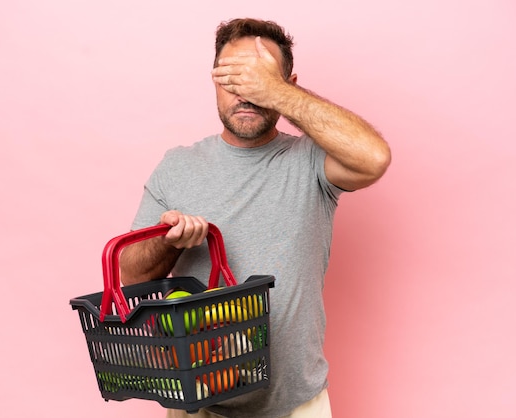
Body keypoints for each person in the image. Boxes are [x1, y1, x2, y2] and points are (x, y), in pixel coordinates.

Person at [119, 18, 391, 418]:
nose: (245, 93)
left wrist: (279, 93)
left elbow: (374, 158)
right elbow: (132, 276)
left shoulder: (311, 161)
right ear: (213, 81)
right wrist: (168, 240)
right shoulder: (178, 167)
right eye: (233, 78)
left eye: (258, 79)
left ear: (287, 83)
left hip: (296, 404)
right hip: (198, 404)